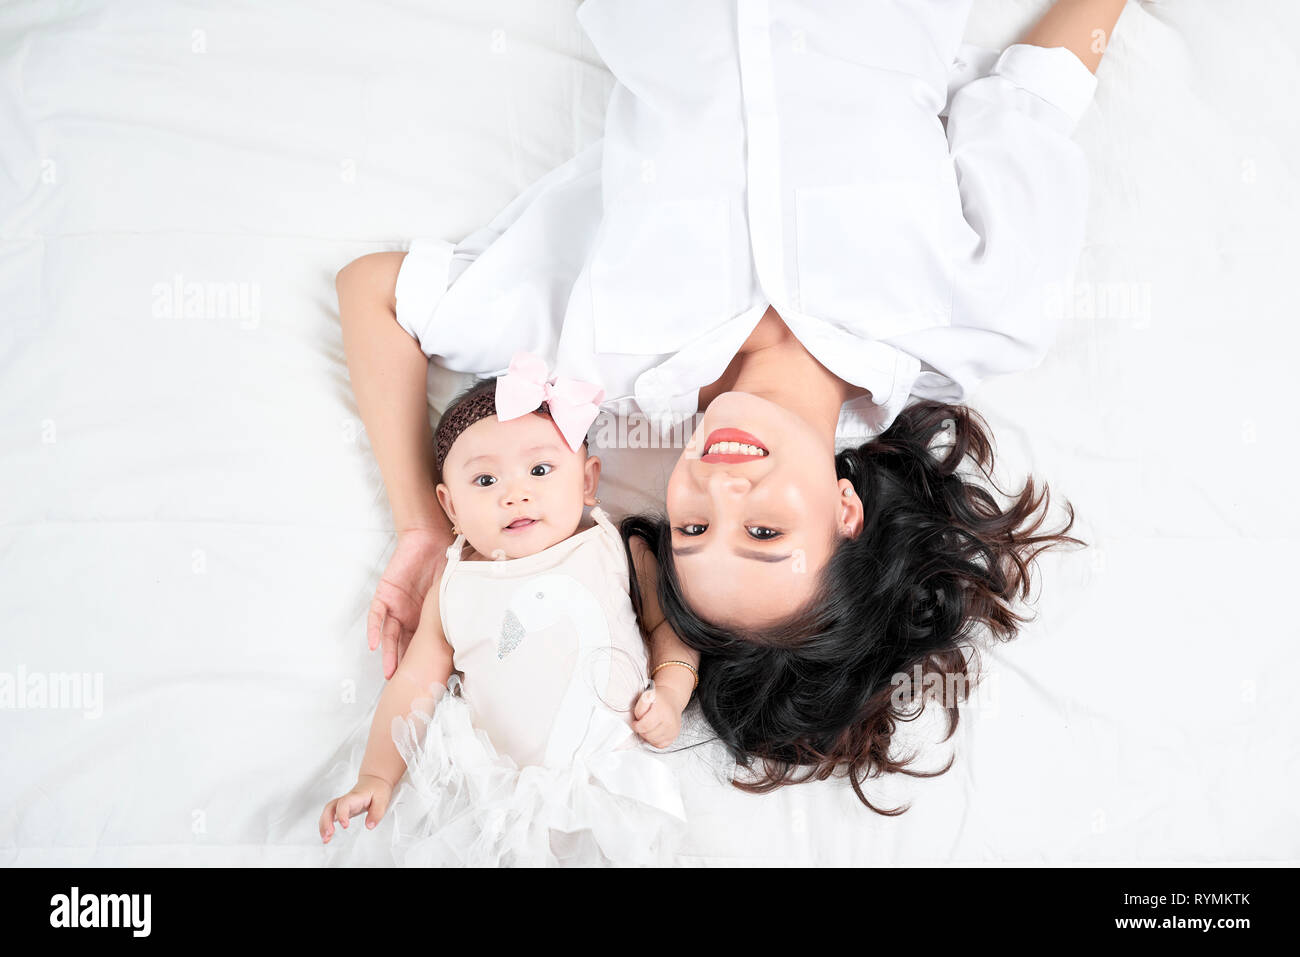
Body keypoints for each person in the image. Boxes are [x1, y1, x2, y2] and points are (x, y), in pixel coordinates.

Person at [334, 0, 1128, 808]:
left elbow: (372, 296)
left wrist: (423, 526)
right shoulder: (982, 321)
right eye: (763, 531)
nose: (718, 491)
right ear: (846, 511)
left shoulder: (594, 352)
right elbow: (1036, 92)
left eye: (691, 528)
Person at [319, 366, 695, 864]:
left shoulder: (614, 548)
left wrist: (670, 693)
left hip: (615, 783)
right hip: (503, 806)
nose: (514, 494)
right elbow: (413, 683)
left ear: (587, 481)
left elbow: (671, 626)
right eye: (485, 479)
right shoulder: (452, 585)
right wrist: (377, 775)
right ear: (449, 506)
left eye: (540, 471)